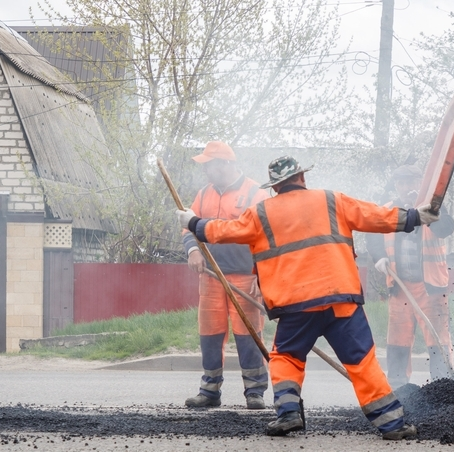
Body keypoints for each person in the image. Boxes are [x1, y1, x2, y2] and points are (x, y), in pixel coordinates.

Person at [177, 156, 438, 440]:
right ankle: (393, 425)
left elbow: (224, 231)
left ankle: (288, 413)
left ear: (275, 187)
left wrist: (193, 223)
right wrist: (415, 216)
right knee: (362, 362)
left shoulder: (260, 212)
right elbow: (374, 216)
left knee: (285, 358)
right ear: (302, 177)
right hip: (341, 300)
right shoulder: (332, 200)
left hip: (295, 305)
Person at [181, 141, 269, 410]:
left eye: (210, 165)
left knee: (248, 334)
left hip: (244, 277)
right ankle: (209, 390)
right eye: (205, 165)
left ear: (227, 164)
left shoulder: (255, 193)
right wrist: (193, 251)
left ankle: (254, 391)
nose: (206, 170)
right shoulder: (204, 194)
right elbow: (189, 228)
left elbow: (267, 238)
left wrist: (261, 276)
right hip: (210, 276)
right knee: (210, 333)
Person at [366, 164, 454, 389]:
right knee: (398, 336)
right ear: (397, 186)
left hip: (430, 287)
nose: (407, 187)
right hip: (400, 286)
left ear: (420, 184)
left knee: (437, 336)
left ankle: (443, 384)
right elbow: (373, 234)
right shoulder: (388, 210)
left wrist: (432, 210)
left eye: (412, 182)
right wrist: (379, 257)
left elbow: (446, 229)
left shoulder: (432, 208)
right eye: (403, 183)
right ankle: (398, 385)